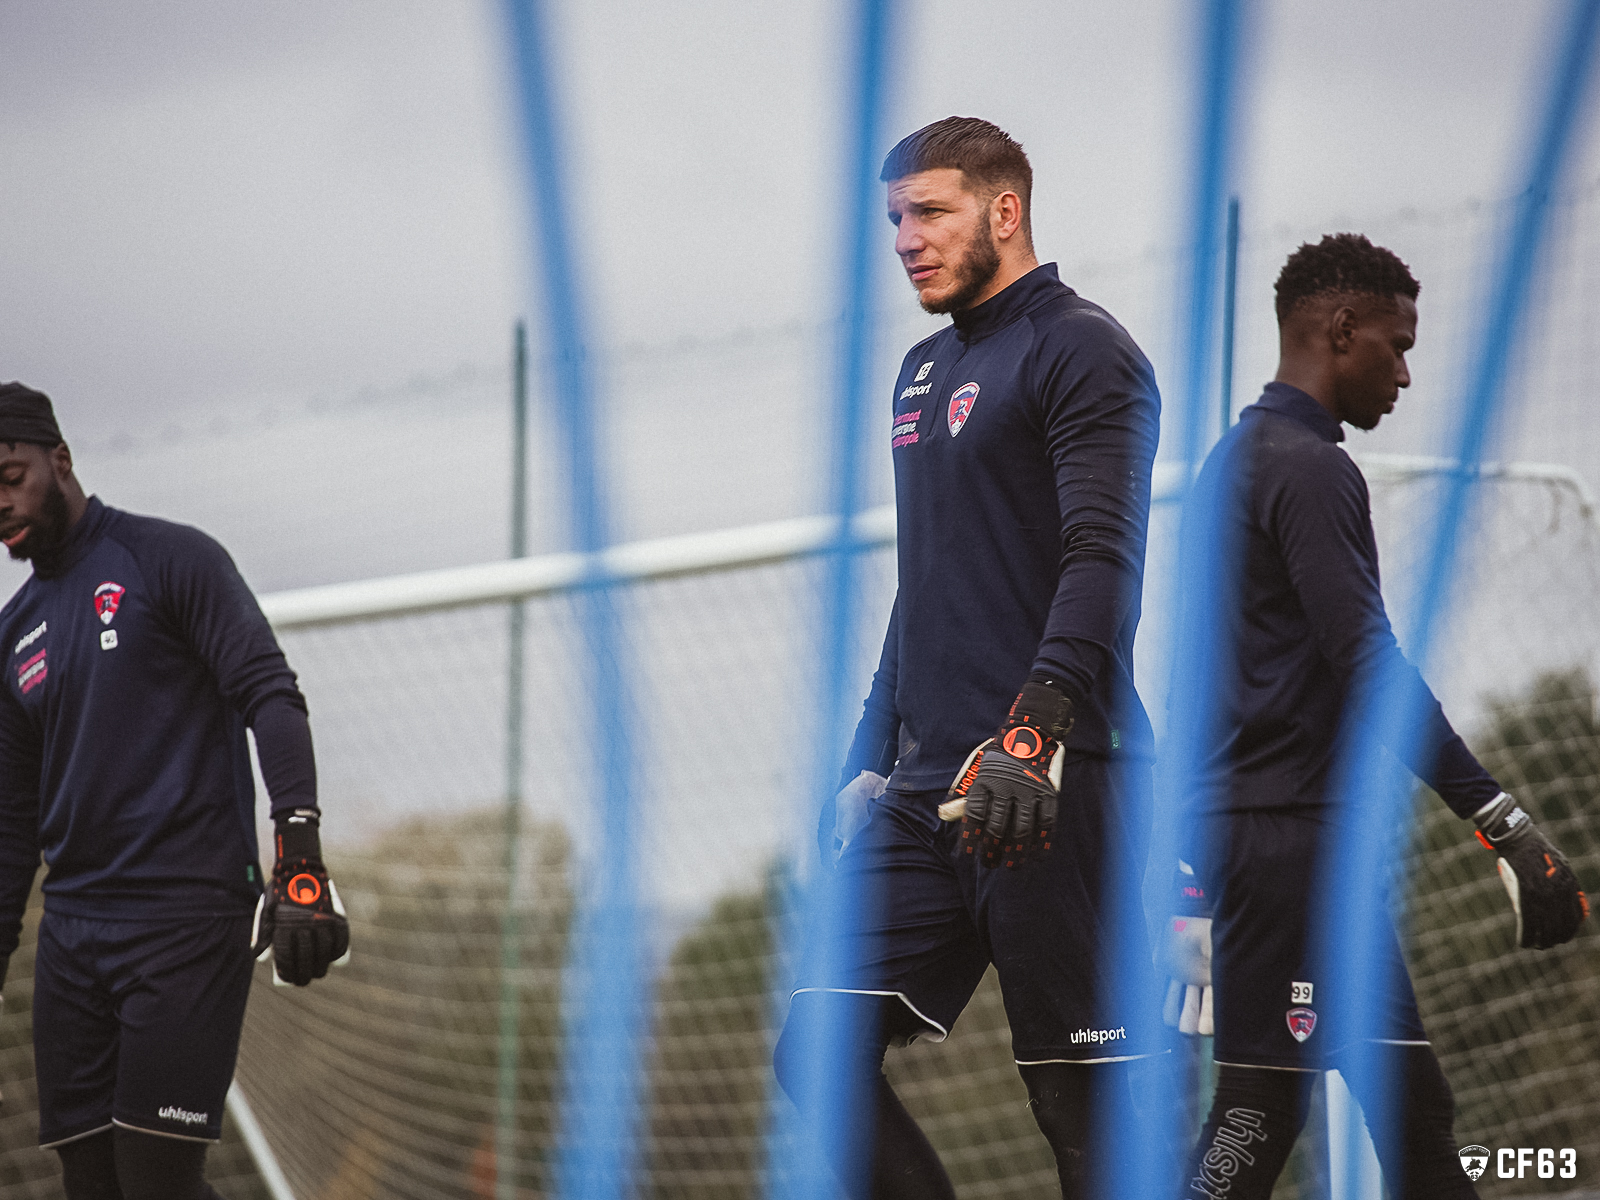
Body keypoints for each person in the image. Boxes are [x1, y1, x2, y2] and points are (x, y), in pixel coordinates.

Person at [773, 116, 1164, 1199]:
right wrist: (867, 752)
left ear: (1004, 210)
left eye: (930, 212)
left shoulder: (1083, 348)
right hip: (923, 787)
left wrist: (1033, 731)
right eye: (895, 219)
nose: (906, 238)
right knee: (814, 1054)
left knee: (1079, 1112)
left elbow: (1102, 558)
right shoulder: (916, 372)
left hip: (1052, 784)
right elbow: (929, 579)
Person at [1173, 234, 1587, 1200]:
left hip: (1283, 840)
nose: (1404, 373)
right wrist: (1501, 820)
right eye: (1395, 347)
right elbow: (1369, 667)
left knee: (1408, 1107)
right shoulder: (1308, 468)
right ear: (1339, 327)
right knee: (1260, 1108)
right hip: (1286, 845)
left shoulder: (1233, 464)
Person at [0, 383, 350, 1200]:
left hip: (184, 921)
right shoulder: (15, 632)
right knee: (92, 1185)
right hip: (74, 934)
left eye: (10, 475)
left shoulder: (171, 560)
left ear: (60, 460)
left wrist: (299, 859)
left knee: (157, 1179)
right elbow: (12, 824)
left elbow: (270, 694)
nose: (1, 501)